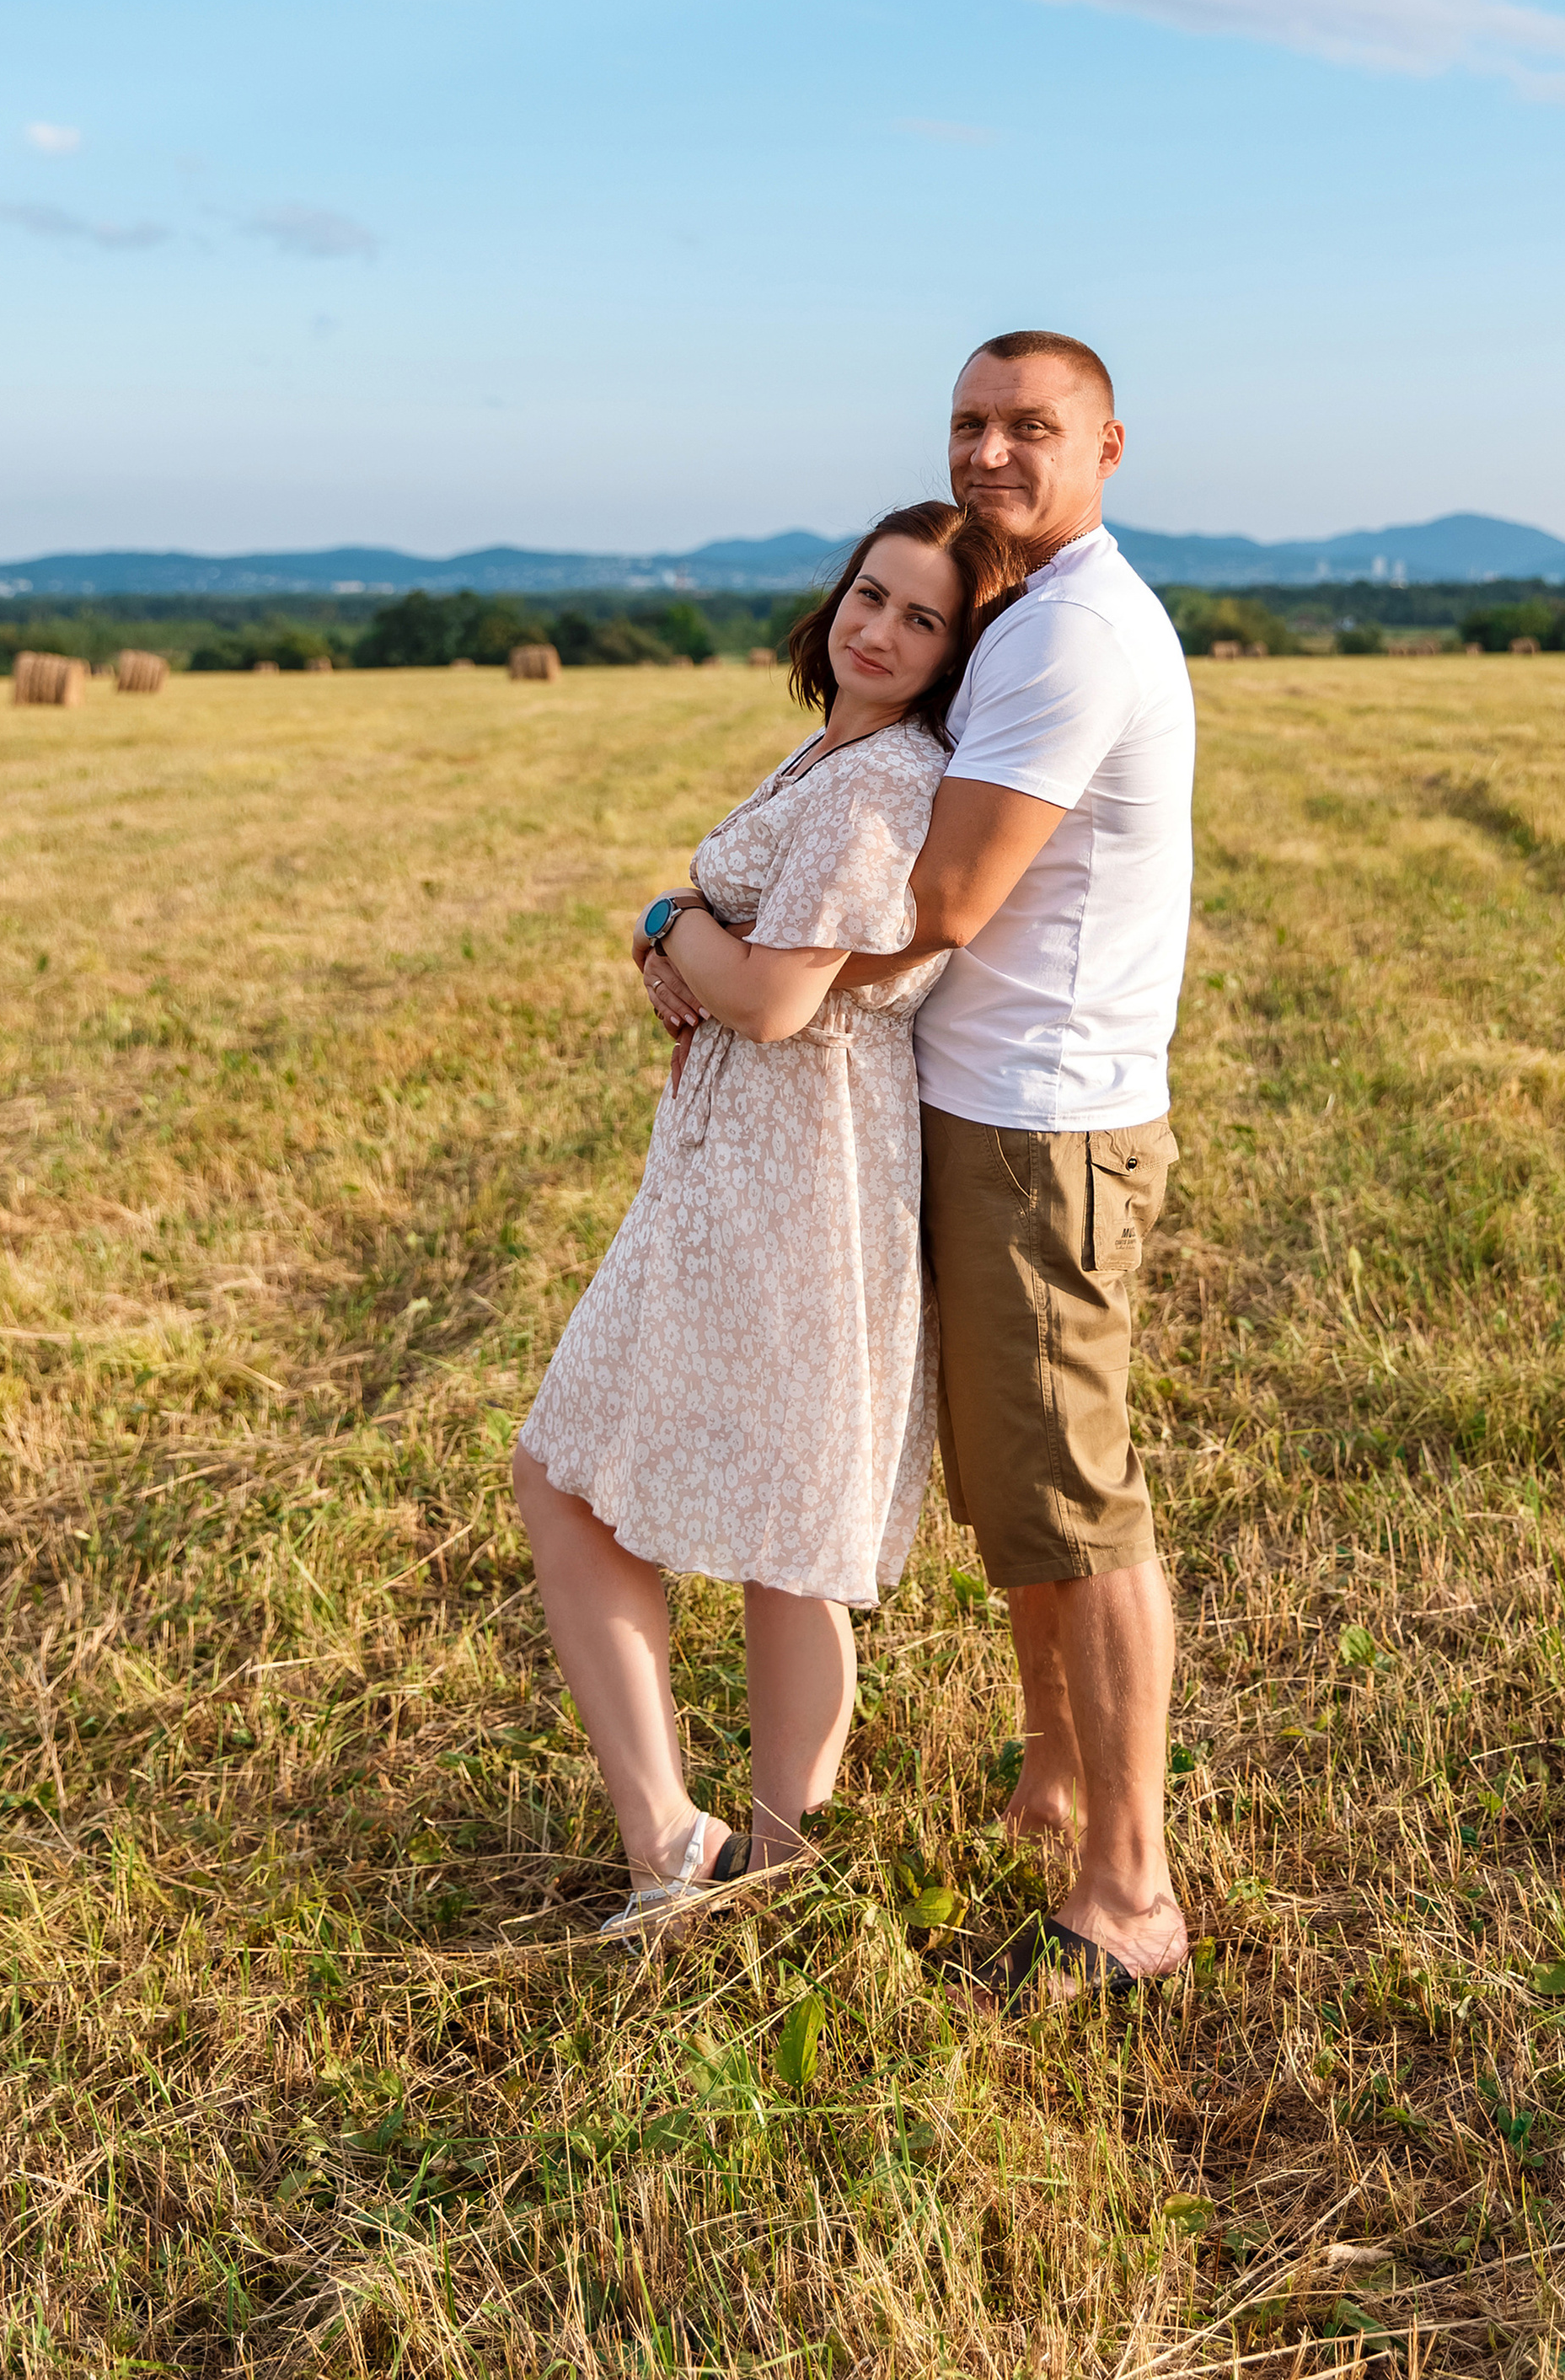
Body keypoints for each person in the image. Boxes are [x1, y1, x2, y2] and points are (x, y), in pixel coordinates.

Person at [509, 500, 1026, 1938]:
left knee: (587, 1475)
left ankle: (691, 1848)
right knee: (756, 1509)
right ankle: (755, 1861)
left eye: (923, 620)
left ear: (953, 655)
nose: (879, 629)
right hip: (747, 1153)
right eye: (871, 595)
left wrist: (671, 924)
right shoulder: (836, 751)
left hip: (793, 1166)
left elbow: (780, 1000)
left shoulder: (877, 787)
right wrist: (676, 923)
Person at [833, 331, 1196, 1994]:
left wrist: (712, 942)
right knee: (1021, 1504)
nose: (987, 452)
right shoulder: (1025, 614)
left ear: (1106, 443)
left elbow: (945, 897)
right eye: (967, 424)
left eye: (1026, 426)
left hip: (1046, 1123)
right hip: (991, 1106)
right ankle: (1056, 1781)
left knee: (1075, 1502)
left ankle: (1124, 1893)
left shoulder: (1069, 635)